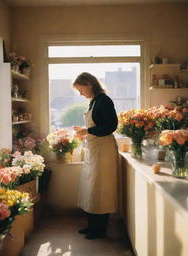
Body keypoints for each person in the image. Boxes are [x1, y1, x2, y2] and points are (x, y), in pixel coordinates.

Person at [73, 72, 118, 240]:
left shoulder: (104, 101)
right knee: (91, 188)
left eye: (80, 89)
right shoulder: (94, 102)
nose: (80, 93)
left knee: (101, 190)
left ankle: (100, 230)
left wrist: (87, 131)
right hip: (95, 149)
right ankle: (92, 225)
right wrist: (84, 132)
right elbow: (97, 125)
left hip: (104, 150)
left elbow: (111, 126)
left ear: (89, 84)